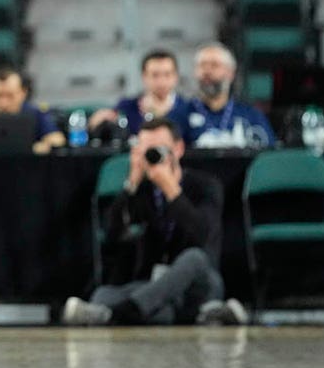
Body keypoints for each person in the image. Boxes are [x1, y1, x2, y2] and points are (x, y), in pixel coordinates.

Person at [63, 118, 247, 325]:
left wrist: (170, 189)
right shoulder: (141, 190)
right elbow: (111, 235)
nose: (152, 157)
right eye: (145, 150)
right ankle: (205, 314)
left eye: (158, 150)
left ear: (177, 149)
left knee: (193, 258)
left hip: (198, 282)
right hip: (154, 286)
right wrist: (131, 183)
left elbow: (202, 234)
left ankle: (118, 315)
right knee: (103, 295)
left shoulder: (205, 185)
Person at [185, 42, 277, 148]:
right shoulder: (183, 113)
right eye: (202, 65)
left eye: (214, 65)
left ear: (230, 73)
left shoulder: (251, 116)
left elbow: (268, 152)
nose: (207, 71)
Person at [89, 49, 192, 141]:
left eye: (167, 74)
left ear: (176, 76)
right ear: (144, 76)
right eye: (155, 75)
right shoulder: (126, 107)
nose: (161, 81)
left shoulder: (188, 109)